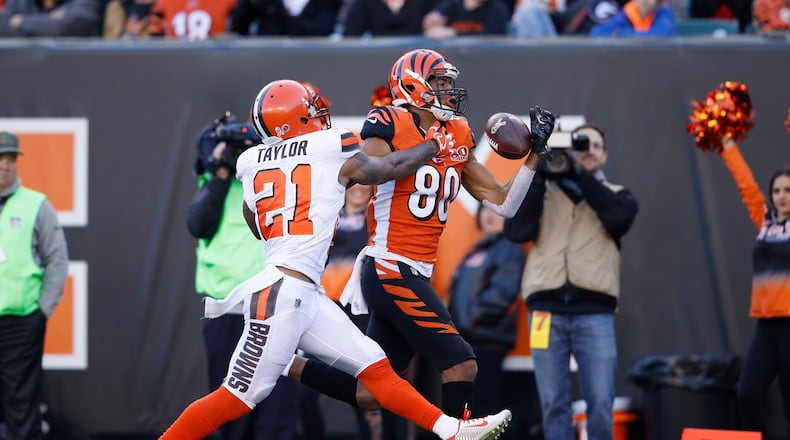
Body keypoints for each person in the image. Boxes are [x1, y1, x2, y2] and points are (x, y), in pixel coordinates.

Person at [159, 79, 513, 440]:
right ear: (293, 120)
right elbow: (384, 169)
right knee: (235, 398)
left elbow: (257, 224)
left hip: (304, 292)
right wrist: (435, 144)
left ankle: (452, 430)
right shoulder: (330, 144)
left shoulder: (249, 162)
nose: (319, 113)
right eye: (311, 109)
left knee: (377, 369)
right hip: (282, 294)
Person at [292, 48, 555, 426]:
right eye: (441, 82)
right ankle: (458, 434)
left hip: (414, 270)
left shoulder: (458, 131)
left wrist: (534, 156)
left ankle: (288, 362)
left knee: (372, 393)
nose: (449, 90)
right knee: (462, 363)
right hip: (390, 265)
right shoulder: (391, 119)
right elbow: (369, 171)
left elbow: (502, 203)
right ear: (415, 86)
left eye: (450, 82)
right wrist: (430, 147)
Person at [503, 124, 638, 440]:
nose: (588, 149)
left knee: (601, 402)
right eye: (581, 144)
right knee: (553, 403)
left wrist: (579, 175)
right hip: (544, 313)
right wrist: (540, 174)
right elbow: (515, 231)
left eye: (595, 145)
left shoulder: (619, 196)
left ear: (604, 156)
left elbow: (618, 218)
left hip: (595, 312)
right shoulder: (545, 192)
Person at [186, 113, 299, 440]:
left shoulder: (280, 180)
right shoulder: (213, 184)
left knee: (277, 414)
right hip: (228, 311)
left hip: (276, 308)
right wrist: (221, 172)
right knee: (231, 412)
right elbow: (197, 224)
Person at [714, 137, 790, 438]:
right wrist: (728, 146)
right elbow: (746, 185)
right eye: (777, 191)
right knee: (747, 394)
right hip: (766, 326)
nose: (782, 196)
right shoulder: (766, 222)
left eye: (788, 190)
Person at [0, 131, 69, 439]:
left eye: (10, 159)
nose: (4, 165)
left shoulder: (35, 204)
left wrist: (41, 311)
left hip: (21, 321)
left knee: (21, 403)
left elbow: (57, 260)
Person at [447, 204, 526, 417]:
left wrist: (471, 321)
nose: (489, 215)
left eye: (498, 211)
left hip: (486, 340)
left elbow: (502, 293)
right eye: (485, 209)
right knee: (469, 408)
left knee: (485, 408)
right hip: (467, 341)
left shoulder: (509, 248)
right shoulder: (480, 248)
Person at [0, 0, 102, 37]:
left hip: (74, 71)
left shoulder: (85, 3)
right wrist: (50, 21)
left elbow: (74, 25)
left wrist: (22, 22)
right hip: (25, 72)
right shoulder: (21, 2)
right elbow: (2, 25)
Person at [422, 0, 510, 38]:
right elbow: (434, 25)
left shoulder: (497, 10)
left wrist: (454, 33)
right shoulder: (451, 5)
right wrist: (431, 27)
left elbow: (492, 39)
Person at [589, 0, 677, 36]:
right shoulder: (628, 12)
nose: (644, 1)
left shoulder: (664, 12)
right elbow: (597, 32)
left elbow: (661, 34)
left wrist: (621, 34)